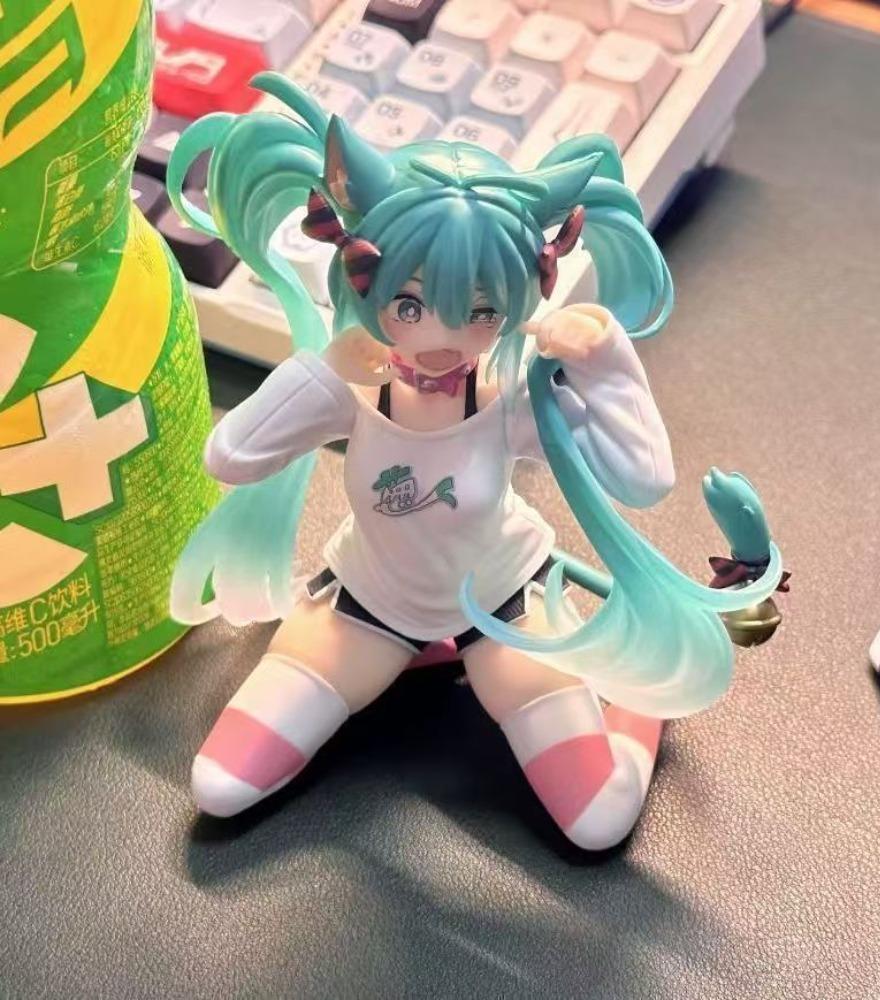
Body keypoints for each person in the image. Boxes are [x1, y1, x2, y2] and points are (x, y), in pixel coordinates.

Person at [166, 73, 783, 850]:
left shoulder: (511, 399)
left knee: (598, 820)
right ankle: (420, 651)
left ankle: (638, 695)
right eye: (411, 304)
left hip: (506, 604)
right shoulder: (356, 385)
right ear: (365, 280)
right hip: (370, 600)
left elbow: (643, 479)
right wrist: (323, 369)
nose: (441, 337)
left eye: (481, 310)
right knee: (220, 785)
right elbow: (230, 455)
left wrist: (607, 361)